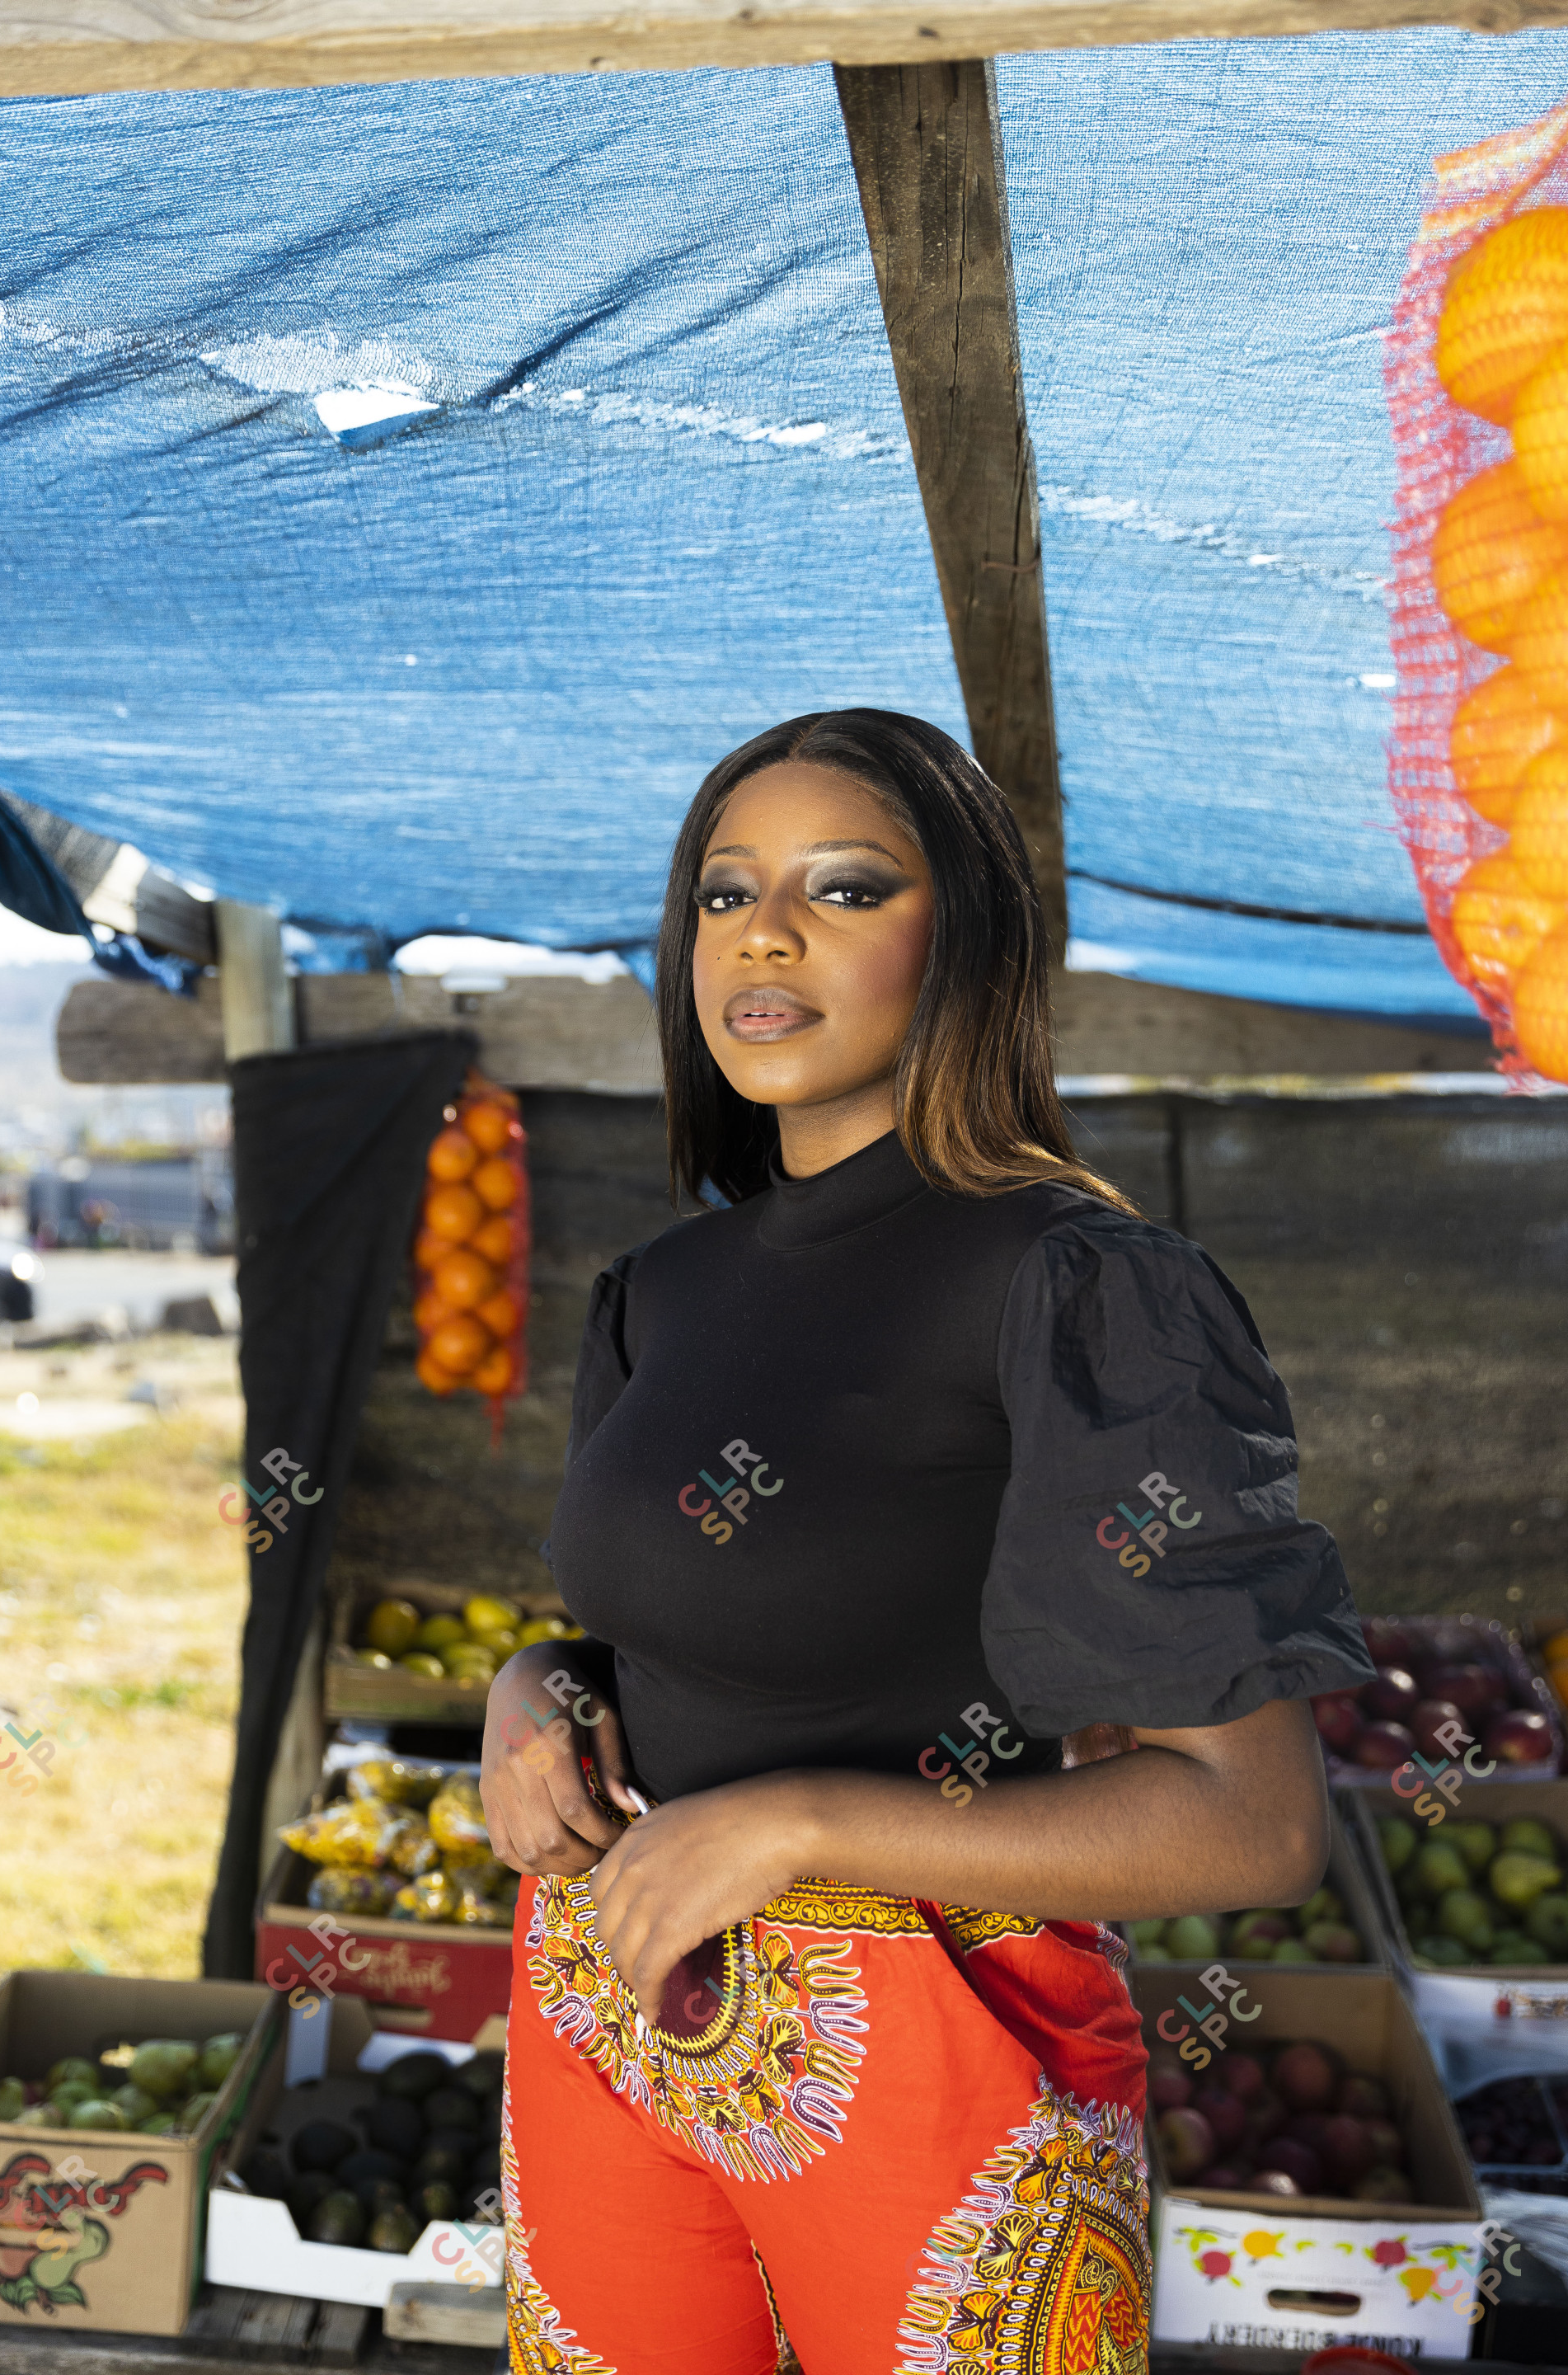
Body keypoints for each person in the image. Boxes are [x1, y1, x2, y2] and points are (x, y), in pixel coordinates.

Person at [480, 709, 1372, 2375]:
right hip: (612, 1996)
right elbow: (656, 1633)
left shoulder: (1077, 1286)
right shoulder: (662, 1293)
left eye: (845, 885)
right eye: (724, 892)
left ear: (961, 938)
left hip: (944, 2042)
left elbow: (1247, 1827)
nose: (764, 930)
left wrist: (801, 1825)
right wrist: (532, 1692)